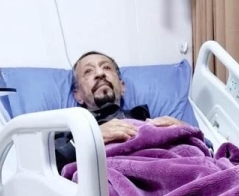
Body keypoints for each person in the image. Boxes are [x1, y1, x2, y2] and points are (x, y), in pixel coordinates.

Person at [53, 51, 186, 171]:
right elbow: (49, 169)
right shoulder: (71, 129)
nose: (100, 74)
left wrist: (183, 130)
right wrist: (90, 139)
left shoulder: (144, 118)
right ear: (78, 95)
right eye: (88, 71)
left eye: (107, 67)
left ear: (122, 87)